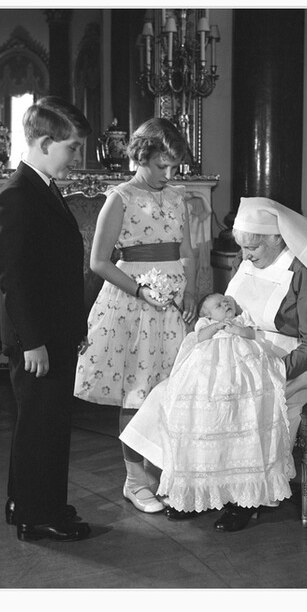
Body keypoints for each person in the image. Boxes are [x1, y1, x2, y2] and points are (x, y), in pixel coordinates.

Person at [120, 196, 307, 532]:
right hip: (236, 351)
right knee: (179, 394)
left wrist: (272, 367)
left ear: (276, 238)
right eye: (243, 248)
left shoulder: (306, 272)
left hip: (286, 358)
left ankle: (246, 498)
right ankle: (200, 490)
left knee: (240, 401)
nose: (245, 256)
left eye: (252, 248)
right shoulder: (248, 258)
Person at [73, 117, 198, 514]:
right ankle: (134, 480)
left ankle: (162, 473)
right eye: (162, 165)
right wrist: (141, 290)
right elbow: (98, 262)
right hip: (134, 304)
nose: (169, 173)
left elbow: (188, 252)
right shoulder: (121, 198)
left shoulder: (179, 197)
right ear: (141, 156)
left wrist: (191, 289)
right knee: (137, 392)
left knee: (171, 393)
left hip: (175, 305)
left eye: (174, 166)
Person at [0, 96, 93, 542]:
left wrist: (75, 327)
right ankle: (38, 516)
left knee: (45, 423)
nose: (76, 158)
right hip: (37, 338)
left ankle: (29, 502)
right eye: (72, 148)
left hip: (54, 331)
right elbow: (11, 276)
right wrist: (32, 340)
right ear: (46, 142)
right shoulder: (18, 195)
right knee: (41, 426)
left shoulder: (44, 187)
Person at [119, 292, 293, 527]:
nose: (225, 304)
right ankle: (194, 495)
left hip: (240, 370)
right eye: (218, 306)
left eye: (226, 302)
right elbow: (199, 338)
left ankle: (244, 498)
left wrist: (239, 330)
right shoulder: (207, 325)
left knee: (239, 408)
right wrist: (218, 326)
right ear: (206, 315)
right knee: (195, 412)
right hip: (209, 371)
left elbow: (252, 334)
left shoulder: (241, 321)